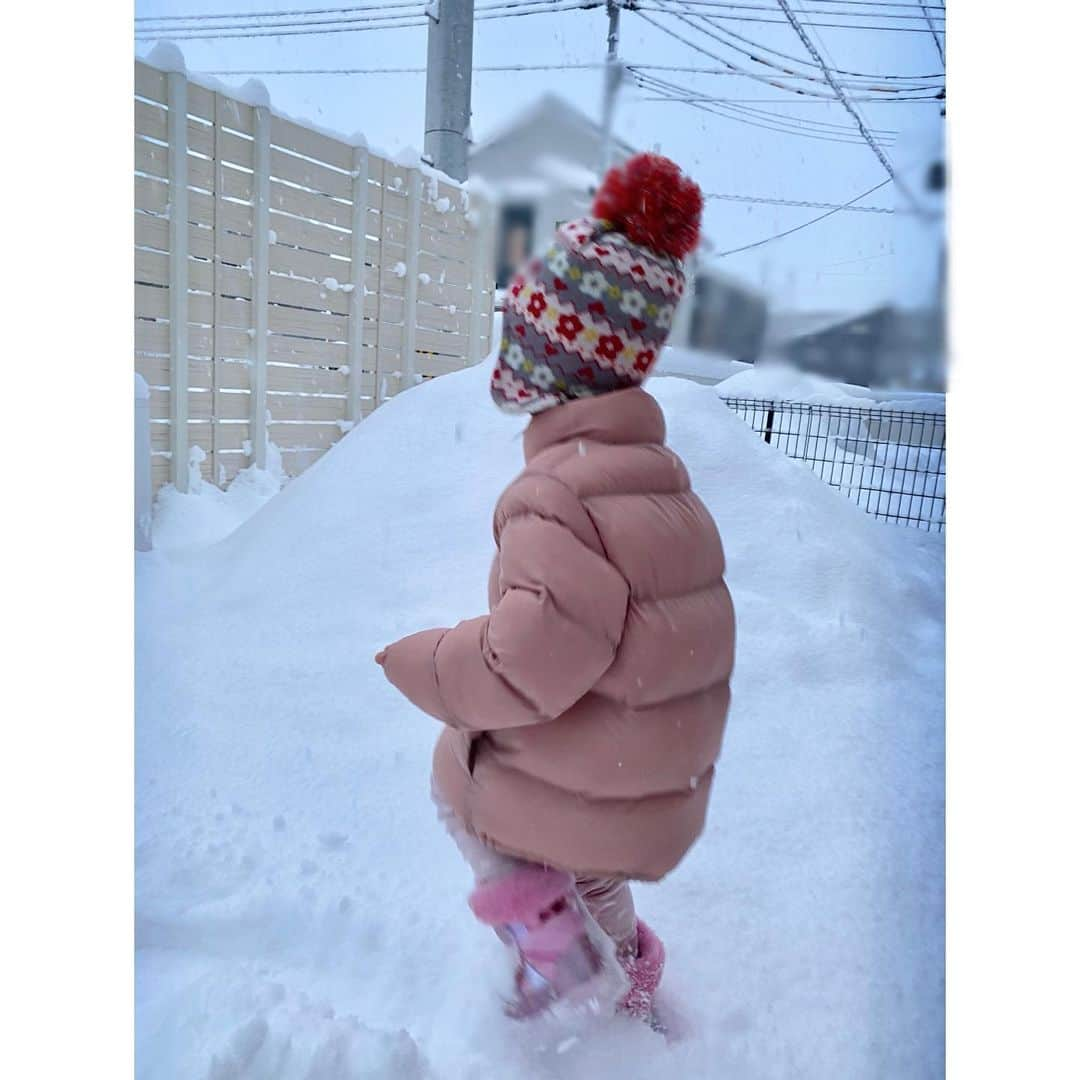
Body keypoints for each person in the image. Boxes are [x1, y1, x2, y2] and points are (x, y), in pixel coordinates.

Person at [376, 152, 735, 1024]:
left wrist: (428, 662)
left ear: (552, 369)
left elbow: (526, 663)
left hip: (595, 763)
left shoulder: (556, 495)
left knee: (462, 783)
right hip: (646, 771)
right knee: (586, 852)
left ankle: (571, 969)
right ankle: (627, 964)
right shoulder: (659, 477)